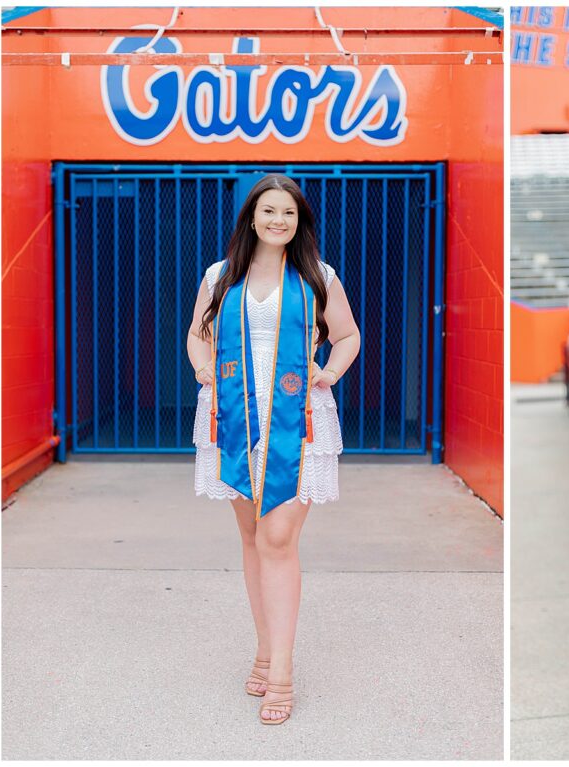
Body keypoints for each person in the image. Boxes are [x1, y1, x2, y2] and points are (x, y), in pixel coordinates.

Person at [186, 173, 360, 725]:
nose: (279, 221)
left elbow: (348, 335)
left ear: (299, 219)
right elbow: (196, 333)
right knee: (250, 535)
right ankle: (263, 647)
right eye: (269, 212)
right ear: (252, 218)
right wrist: (201, 365)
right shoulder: (221, 274)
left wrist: (328, 372)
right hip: (234, 412)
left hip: (297, 418)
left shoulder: (317, 274)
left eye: (288, 212)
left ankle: (281, 670)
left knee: (278, 537)